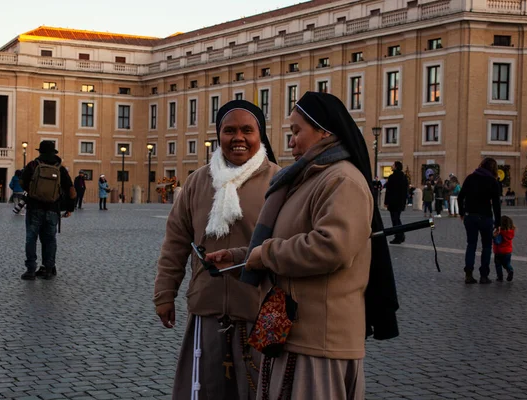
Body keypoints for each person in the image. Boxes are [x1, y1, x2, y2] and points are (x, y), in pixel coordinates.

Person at [206, 92, 399, 400]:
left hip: (320, 338)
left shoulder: (342, 181)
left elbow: (331, 247)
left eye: (297, 131)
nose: (291, 141)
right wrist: (240, 257)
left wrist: (265, 254)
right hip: (293, 332)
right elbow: (287, 238)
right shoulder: (307, 178)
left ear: (324, 131)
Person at [153, 100, 279, 400]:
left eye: (247, 130)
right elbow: (176, 242)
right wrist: (164, 293)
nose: (238, 138)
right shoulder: (198, 181)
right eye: (229, 130)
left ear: (260, 134)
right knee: (206, 390)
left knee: (254, 391)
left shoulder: (278, 181)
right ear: (218, 135)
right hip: (207, 308)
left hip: (257, 309)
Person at [19, 140, 76, 280]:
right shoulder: (60, 168)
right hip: (53, 208)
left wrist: (32, 191)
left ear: (40, 152)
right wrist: (70, 208)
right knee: (50, 239)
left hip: (34, 207)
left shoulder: (33, 165)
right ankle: (48, 268)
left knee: (31, 238)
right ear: (53, 152)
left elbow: (21, 182)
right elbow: (71, 189)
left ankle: (31, 270)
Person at [458, 157, 502, 284]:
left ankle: (469, 273)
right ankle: (484, 275)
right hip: (486, 217)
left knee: (471, 244)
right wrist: (498, 223)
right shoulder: (493, 182)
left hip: (470, 216)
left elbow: (461, 197)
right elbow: (496, 204)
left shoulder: (470, 178)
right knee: (486, 246)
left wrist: (462, 212)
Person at [385, 161, 409, 244]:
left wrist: (386, 202)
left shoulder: (392, 177)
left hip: (393, 202)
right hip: (400, 202)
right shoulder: (404, 177)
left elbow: (388, 191)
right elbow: (406, 190)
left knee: (395, 220)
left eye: (393, 165)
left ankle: (398, 237)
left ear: (396, 167)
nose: (391, 166)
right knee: (397, 219)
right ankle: (401, 235)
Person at [493, 215, 515, 282]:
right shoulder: (511, 232)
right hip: (508, 252)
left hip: (498, 251)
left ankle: (500, 277)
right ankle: (510, 270)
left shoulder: (499, 232)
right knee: (507, 263)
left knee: (498, 265)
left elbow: (495, 239)